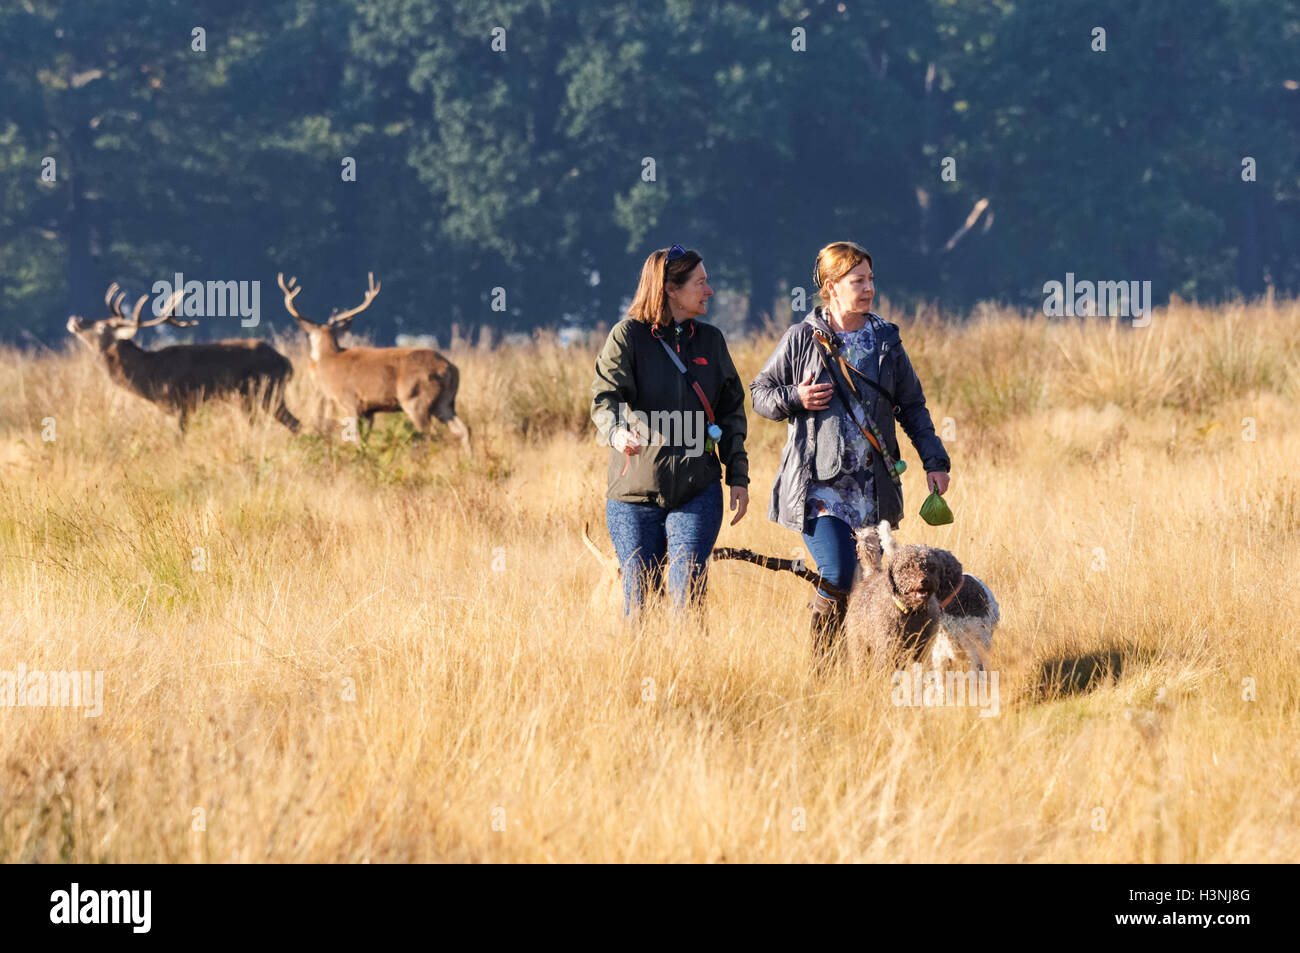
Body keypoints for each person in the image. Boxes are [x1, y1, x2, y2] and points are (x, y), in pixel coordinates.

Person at [750, 241, 950, 663]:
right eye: (857, 280)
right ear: (831, 286)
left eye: (871, 279)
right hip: (817, 489)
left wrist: (935, 461)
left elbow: (911, 405)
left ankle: (860, 669)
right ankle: (824, 668)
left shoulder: (885, 339)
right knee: (839, 572)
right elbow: (760, 395)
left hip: (872, 490)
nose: (868, 288)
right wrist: (796, 396)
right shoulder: (801, 338)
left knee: (868, 583)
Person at [591, 245, 750, 616]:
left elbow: (730, 413)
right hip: (633, 497)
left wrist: (738, 475)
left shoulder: (711, 341)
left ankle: (691, 671)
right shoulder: (626, 336)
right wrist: (615, 431)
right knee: (639, 599)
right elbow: (604, 395)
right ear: (670, 289)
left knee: (687, 597)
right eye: (701, 283)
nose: (709, 291)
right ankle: (642, 669)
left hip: (698, 490)